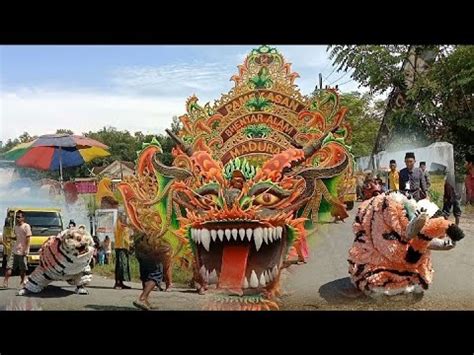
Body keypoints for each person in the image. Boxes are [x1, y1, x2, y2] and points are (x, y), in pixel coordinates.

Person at [1, 211, 32, 288]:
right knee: (9, 266)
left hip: (22, 251)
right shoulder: (16, 227)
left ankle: (22, 281)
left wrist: (26, 249)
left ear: (23, 218)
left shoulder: (26, 226)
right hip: (14, 250)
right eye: (16, 217)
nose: (17, 219)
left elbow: (28, 239)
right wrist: (11, 237)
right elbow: (17, 237)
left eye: (19, 217)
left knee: (22, 268)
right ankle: (5, 282)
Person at [133, 238, 164, 311]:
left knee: (146, 274)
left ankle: (145, 301)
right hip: (151, 245)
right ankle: (142, 298)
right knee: (156, 273)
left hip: (139, 245)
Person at [113, 213, 132, 289]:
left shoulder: (126, 227)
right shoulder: (119, 223)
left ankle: (121, 283)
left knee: (124, 266)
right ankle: (117, 283)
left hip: (125, 247)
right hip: (120, 247)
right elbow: (124, 225)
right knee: (120, 265)